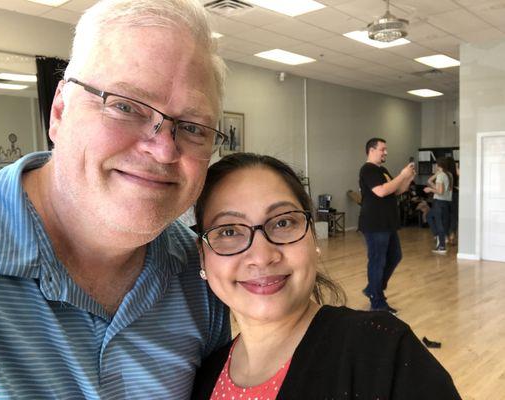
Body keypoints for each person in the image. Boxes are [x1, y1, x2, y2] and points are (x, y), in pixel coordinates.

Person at [0, 0, 230, 398]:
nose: (163, 150)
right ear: (59, 110)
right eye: (126, 106)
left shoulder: (199, 276)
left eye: (193, 127)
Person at [191, 152, 461, 399]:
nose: (262, 256)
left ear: (313, 236)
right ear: (202, 255)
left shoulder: (383, 353)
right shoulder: (202, 376)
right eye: (228, 231)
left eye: (283, 222)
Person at [359, 138, 415, 314]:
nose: (386, 152)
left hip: (387, 223)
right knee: (377, 261)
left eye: (386, 149)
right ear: (371, 150)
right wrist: (402, 175)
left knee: (395, 256)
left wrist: (407, 179)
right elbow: (381, 191)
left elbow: (397, 190)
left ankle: (372, 289)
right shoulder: (367, 169)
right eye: (382, 149)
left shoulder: (382, 170)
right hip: (375, 224)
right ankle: (377, 303)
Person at [424, 157, 453, 255]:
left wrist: (430, 190)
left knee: (439, 223)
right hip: (445, 203)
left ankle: (441, 246)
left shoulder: (441, 176)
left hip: (439, 202)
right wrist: (436, 175)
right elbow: (430, 181)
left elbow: (440, 192)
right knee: (429, 216)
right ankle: (439, 237)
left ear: (438, 165)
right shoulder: (448, 175)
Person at [445, 156, 459, 245]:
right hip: (455, 194)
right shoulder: (456, 172)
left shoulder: (445, 174)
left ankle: (446, 236)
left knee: (446, 215)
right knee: (454, 215)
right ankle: (452, 235)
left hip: (446, 196)